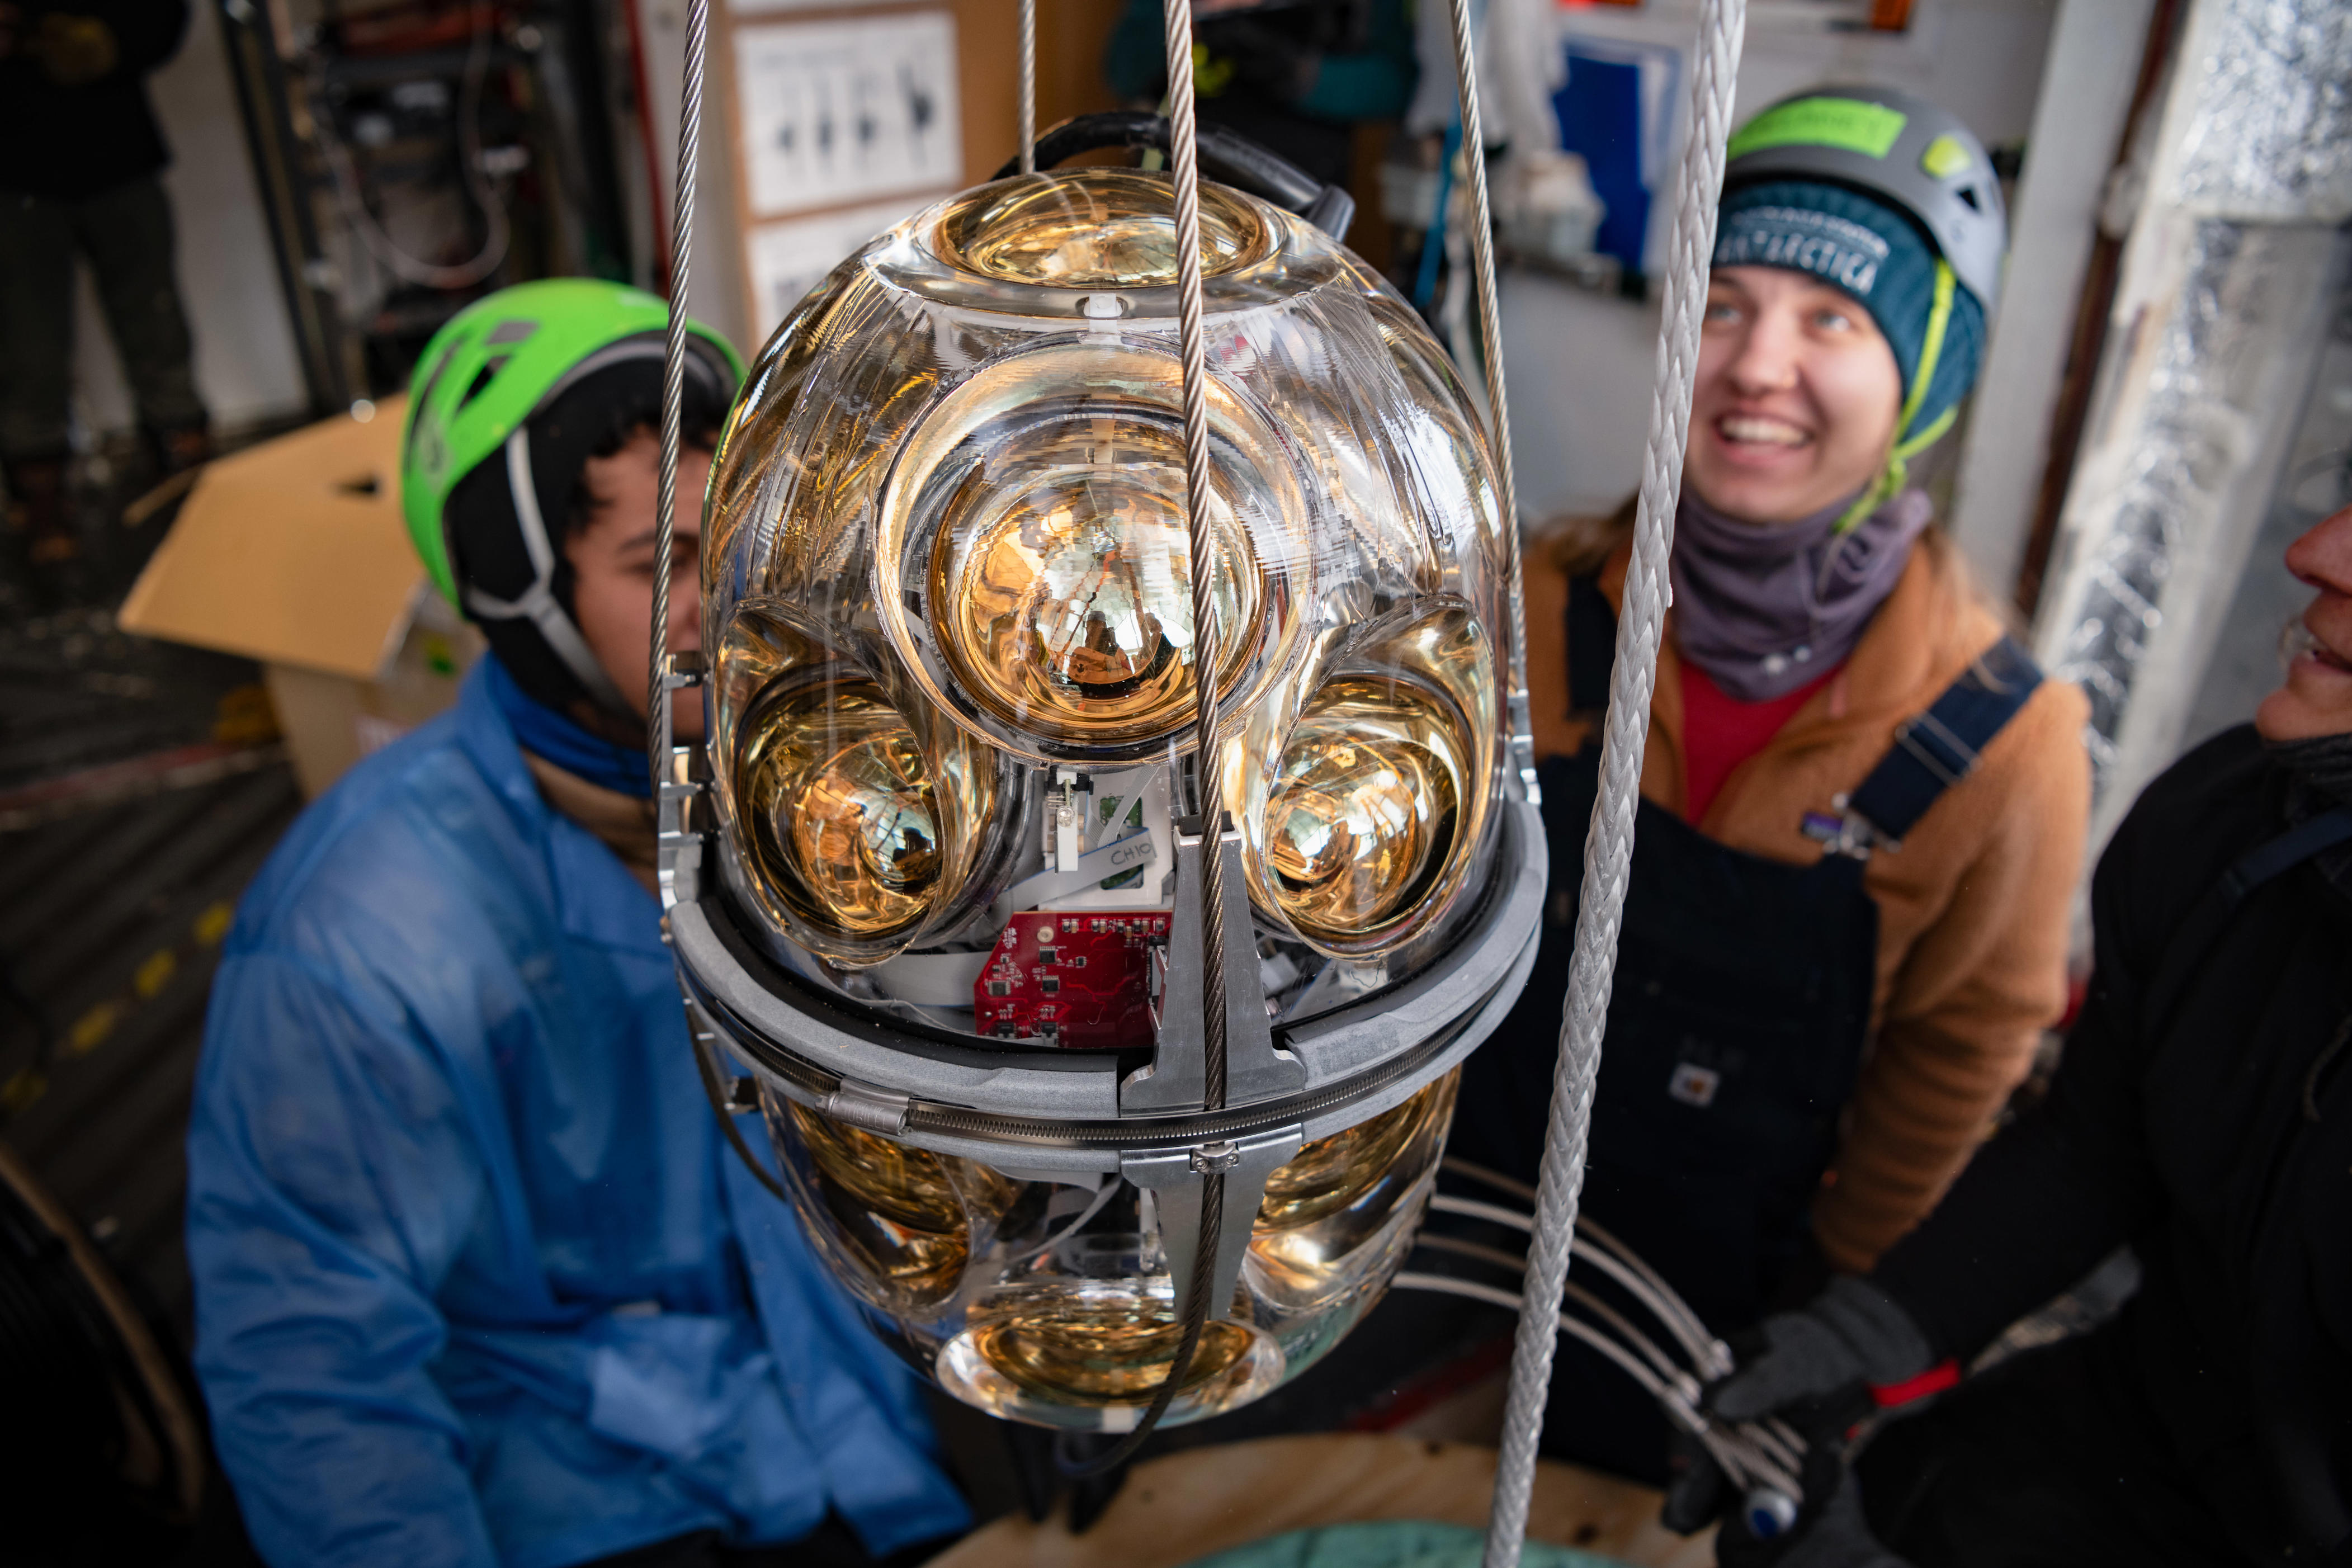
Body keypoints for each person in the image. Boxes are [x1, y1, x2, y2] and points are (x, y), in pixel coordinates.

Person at [185, 279, 972, 1567]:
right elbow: (315, 1374)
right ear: (523, 603)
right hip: (592, 1494)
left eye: (726, 537)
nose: (721, 601)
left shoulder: (809, 798)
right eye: (655, 561)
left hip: (855, 1424)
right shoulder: (360, 939)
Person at [1449, 85, 2091, 1482]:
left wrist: (1826, 1335)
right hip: (1445, 1255)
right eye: (1723, 304)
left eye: (1830, 320)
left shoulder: (2002, 741)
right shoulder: (1531, 610)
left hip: (1701, 1327)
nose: (1753, 366)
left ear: (1924, 372)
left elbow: (1953, 1060)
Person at [1686, 502, 2352, 1567]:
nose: (2316, 553)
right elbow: (2099, 1140)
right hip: (2148, 1426)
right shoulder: (2225, 827)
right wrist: (1877, 1325)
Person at [0, 0, 208, 563]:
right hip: (16, 168)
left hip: (117, 150)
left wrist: (112, 44)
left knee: (157, 326)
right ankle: (42, 504)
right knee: (29, 349)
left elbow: (164, 21)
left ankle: (189, 488)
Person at [1103, 0, 1415, 191]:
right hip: (1185, 179)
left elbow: (1397, 86)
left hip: (1301, 188)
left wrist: (1305, 76)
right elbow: (1123, 72)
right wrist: (1185, 18)